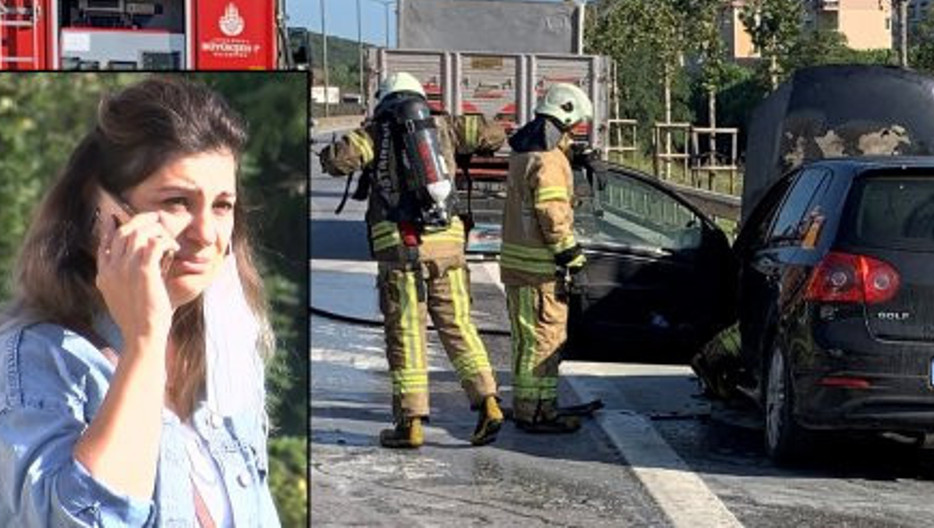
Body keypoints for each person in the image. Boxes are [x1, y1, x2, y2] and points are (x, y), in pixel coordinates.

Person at [0, 78, 280, 526]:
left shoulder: (226, 347)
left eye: (223, 205)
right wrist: (145, 343)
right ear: (101, 217)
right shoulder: (37, 358)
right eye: (176, 202)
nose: (206, 235)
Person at [319, 72, 507, 448]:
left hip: (401, 245)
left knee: (407, 332)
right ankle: (488, 402)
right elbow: (495, 134)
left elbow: (336, 161)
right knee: (458, 324)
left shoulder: (376, 132)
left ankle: (411, 423)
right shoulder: (446, 125)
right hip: (449, 244)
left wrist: (342, 144)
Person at [499, 82, 593, 433]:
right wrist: (572, 256)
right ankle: (541, 413)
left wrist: (578, 157)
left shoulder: (524, 152)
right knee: (547, 339)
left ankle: (526, 406)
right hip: (541, 271)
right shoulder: (550, 160)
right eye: (574, 127)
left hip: (517, 267)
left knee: (525, 340)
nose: (573, 133)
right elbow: (552, 213)